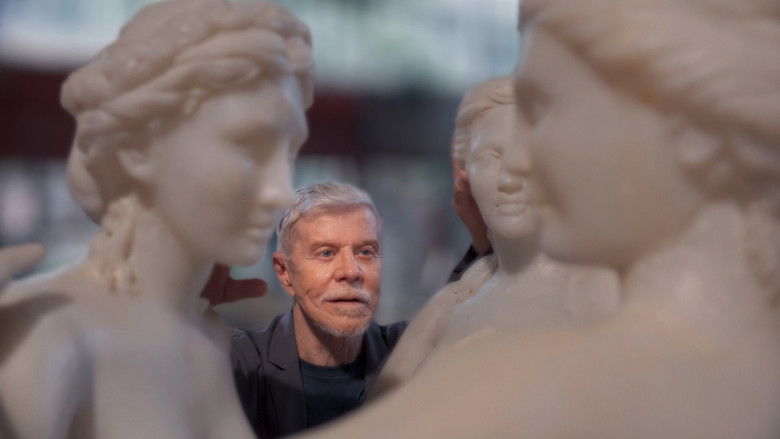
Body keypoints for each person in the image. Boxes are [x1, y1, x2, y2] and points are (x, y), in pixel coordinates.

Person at [297, 0, 780, 437]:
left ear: (688, 125)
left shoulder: (559, 376)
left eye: (546, 109)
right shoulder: (739, 366)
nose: (521, 162)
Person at [0, 1, 313, 437]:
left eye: (291, 152)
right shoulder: (51, 334)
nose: (282, 191)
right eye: (250, 145)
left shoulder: (206, 339)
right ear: (137, 147)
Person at [370, 75, 619, 397]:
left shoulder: (598, 294)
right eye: (492, 157)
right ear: (465, 173)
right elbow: (381, 410)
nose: (509, 180)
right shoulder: (451, 304)